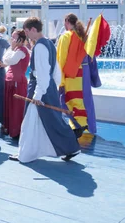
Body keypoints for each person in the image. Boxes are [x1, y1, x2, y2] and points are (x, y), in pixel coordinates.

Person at [9, 17, 80, 163]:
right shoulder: (48, 43)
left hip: (40, 88)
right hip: (48, 88)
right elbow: (56, 70)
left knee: (33, 121)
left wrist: (38, 94)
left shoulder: (40, 46)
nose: (27, 35)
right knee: (49, 120)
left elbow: (42, 72)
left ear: (33, 29)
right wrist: (53, 87)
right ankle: (29, 152)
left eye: (27, 31)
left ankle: (26, 154)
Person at [57, 13, 97, 134]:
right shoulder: (84, 37)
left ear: (67, 22)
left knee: (67, 99)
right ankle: (85, 125)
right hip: (84, 72)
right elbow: (92, 57)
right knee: (84, 99)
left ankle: (79, 125)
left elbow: (61, 59)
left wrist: (60, 80)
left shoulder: (66, 37)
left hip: (72, 73)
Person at [1, 29, 30, 139]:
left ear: (20, 40)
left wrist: (11, 49)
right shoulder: (16, 50)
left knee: (17, 108)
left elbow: (10, 61)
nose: (12, 40)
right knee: (10, 106)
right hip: (10, 81)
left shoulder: (22, 50)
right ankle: (11, 129)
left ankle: (17, 131)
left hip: (17, 82)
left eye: (14, 37)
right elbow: (5, 59)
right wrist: (11, 48)